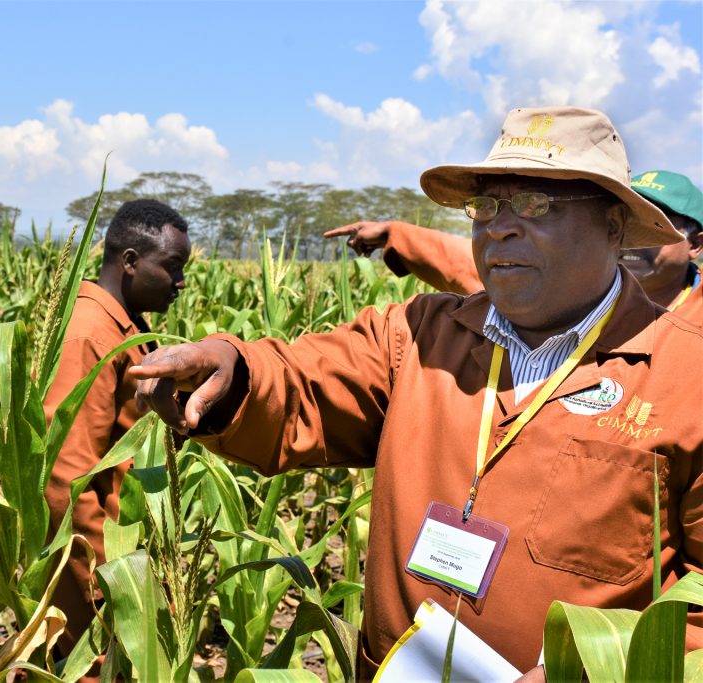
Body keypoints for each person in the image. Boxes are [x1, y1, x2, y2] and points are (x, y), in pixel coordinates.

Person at [128, 106, 703, 677]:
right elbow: (305, 381)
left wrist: (596, 669)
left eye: (536, 203)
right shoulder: (421, 335)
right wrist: (232, 372)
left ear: (613, 226)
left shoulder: (687, 375)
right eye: (486, 205)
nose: (498, 225)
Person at [44, 198, 191, 656]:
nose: (181, 282)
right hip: (94, 572)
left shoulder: (123, 327)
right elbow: (66, 480)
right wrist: (107, 584)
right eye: (172, 267)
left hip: (119, 556)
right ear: (130, 262)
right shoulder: (90, 334)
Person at [324, 170, 703, 320]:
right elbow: (456, 260)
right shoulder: (562, 291)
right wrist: (392, 232)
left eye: (662, 225)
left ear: (696, 244)